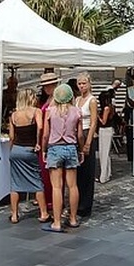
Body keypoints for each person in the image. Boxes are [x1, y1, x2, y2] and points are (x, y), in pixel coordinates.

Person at [41, 83, 83, 232]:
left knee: (57, 187)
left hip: (55, 147)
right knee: (72, 186)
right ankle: (73, 218)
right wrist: (81, 150)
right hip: (71, 147)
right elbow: (79, 135)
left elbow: (45, 134)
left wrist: (44, 150)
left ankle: (57, 222)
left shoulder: (50, 111)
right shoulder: (77, 112)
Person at [8, 88, 48, 224]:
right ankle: (43, 213)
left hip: (16, 150)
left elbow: (11, 136)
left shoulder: (14, 115)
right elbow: (41, 127)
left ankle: (14, 214)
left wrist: (11, 150)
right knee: (37, 181)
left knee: (15, 184)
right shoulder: (36, 111)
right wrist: (38, 143)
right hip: (29, 150)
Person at [74, 72, 98, 218]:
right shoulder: (77, 100)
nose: (82, 86)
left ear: (89, 84)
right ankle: (78, 201)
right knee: (78, 171)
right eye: (79, 83)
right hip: (78, 134)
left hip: (87, 132)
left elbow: (94, 121)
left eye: (84, 83)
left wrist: (88, 141)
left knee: (88, 171)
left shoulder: (92, 100)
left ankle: (86, 204)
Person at [37, 72, 60, 211]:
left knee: (49, 171)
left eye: (48, 85)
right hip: (46, 137)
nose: (46, 88)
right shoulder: (49, 99)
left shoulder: (54, 101)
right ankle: (47, 198)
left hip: (50, 138)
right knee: (44, 172)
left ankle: (51, 200)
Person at [97, 79, 121, 184]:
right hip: (108, 129)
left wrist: (97, 115)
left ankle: (103, 176)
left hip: (105, 129)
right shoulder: (111, 107)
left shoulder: (106, 108)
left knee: (104, 153)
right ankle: (107, 173)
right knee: (106, 153)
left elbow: (103, 121)